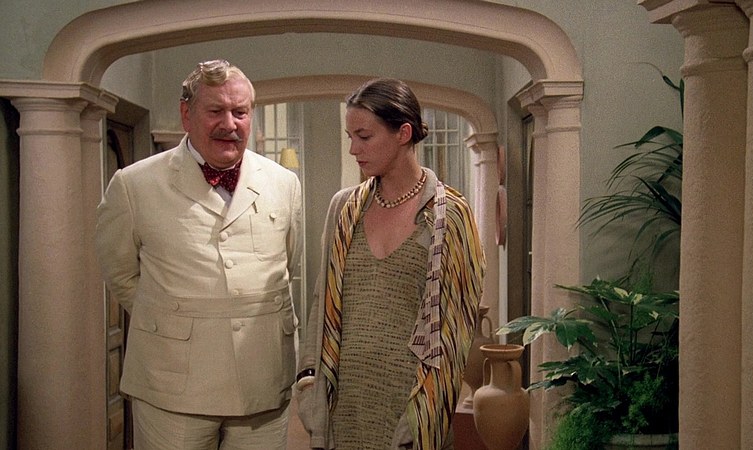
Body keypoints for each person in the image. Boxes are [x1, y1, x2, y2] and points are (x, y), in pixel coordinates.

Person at [95, 59, 302, 449]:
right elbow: (120, 273)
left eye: (240, 112)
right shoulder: (134, 184)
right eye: (215, 111)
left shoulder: (284, 183)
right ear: (186, 115)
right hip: (172, 384)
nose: (230, 124)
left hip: (263, 379)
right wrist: (173, 318)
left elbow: (287, 263)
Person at [295, 78, 485, 450]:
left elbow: (455, 332)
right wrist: (308, 383)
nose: (354, 149)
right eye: (350, 137)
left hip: (411, 407)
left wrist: (423, 418)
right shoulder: (345, 208)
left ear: (403, 133)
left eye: (364, 137)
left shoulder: (449, 215)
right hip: (345, 403)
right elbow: (322, 302)